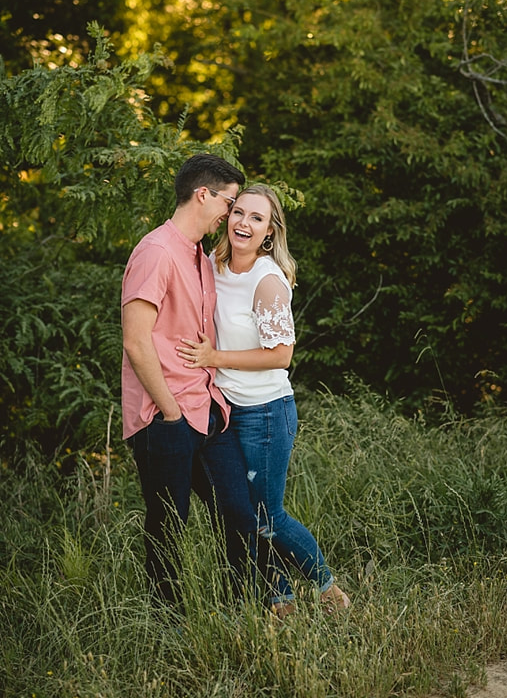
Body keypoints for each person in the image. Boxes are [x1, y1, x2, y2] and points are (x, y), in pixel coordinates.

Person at [176, 183, 351, 617]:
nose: (244, 223)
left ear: (270, 232)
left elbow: (282, 354)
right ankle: (280, 599)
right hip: (223, 411)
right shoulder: (213, 265)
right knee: (241, 512)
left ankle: (327, 588)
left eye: (257, 218)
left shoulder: (266, 279)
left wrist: (215, 357)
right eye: (239, 213)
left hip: (266, 413)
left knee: (267, 516)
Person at [121, 153, 258, 608]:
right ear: (204, 194)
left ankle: (242, 609)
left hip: (208, 410)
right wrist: (171, 411)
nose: (231, 213)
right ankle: (169, 625)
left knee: (238, 510)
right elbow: (137, 342)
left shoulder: (198, 255)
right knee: (168, 525)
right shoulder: (156, 251)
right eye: (230, 202)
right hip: (166, 417)